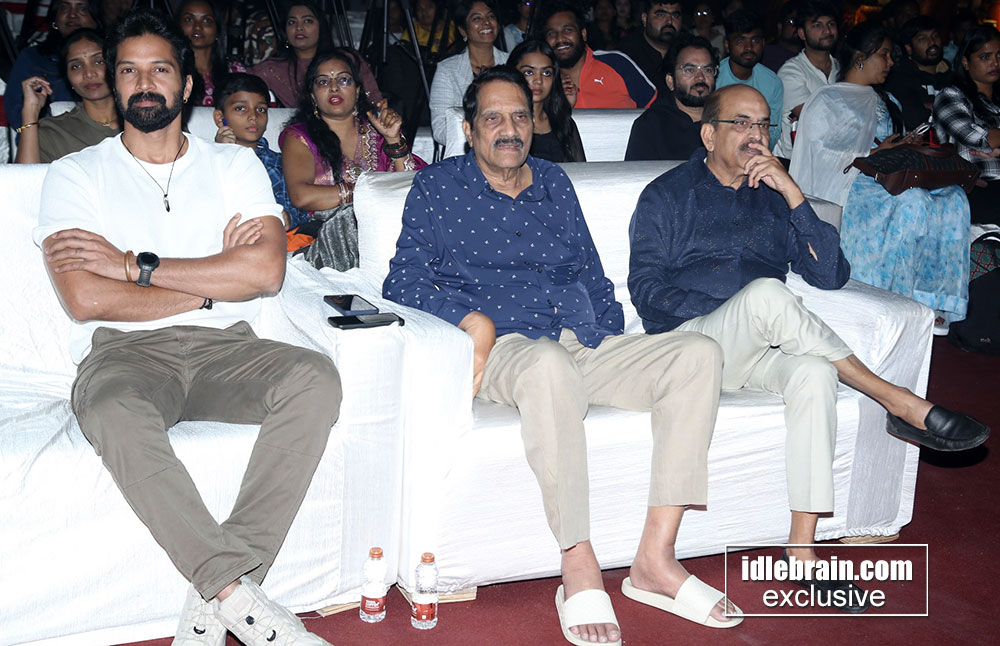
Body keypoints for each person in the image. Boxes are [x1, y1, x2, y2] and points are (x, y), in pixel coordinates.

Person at [384, 65, 742, 646]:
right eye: (493, 118)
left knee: (697, 354)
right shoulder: (436, 189)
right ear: (469, 130)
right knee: (548, 366)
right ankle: (577, 560)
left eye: (520, 116)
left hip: (579, 337)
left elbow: (592, 272)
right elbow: (402, 282)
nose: (509, 129)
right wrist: (472, 322)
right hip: (505, 345)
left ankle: (655, 560)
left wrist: (606, 326)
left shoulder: (553, 181)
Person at [31, 10, 342, 646]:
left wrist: (135, 267)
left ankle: (217, 597)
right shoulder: (74, 173)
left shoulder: (233, 166)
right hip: (125, 355)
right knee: (110, 408)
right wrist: (208, 285)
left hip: (228, 349)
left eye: (160, 70)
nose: (145, 83)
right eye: (129, 71)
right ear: (114, 83)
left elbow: (265, 272)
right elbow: (85, 299)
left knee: (314, 377)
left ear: (188, 84)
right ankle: (235, 597)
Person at [628, 83, 990, 612]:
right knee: (766, 295)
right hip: (689, 346)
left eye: (763, 124)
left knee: (815, 373)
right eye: (741, 124)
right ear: (708, 135)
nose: (756, 135)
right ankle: (896, 399)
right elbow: (646, 292)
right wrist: (741, 310)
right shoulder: (667, 195)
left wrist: (793, 194)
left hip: (756, 351)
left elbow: (830, 274)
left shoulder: (775, 196)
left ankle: (802, 550)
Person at [791, 22, 971, 328]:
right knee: (913, 201)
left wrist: (903, 146)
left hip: (888, 177)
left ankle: (934, 298)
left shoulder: (888, 101)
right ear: (861, 56)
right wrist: (874, 152)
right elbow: (819, 154)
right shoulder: (827, 99)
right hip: (849, 183)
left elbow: (892, 148)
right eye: (884, 55)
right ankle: (897, 298)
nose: (890, 62)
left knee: (954, 198)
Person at [281, 49, 426, 270]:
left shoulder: (378, 132)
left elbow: (411, 186)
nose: (334, 87)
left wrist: (393, 139)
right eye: (323, 82)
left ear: (357, 92)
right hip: (330, 235)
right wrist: (365, 192)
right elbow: (302, 196)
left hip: (388, 228)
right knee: (352, 218)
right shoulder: (300, 136)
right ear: (313, 95)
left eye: (343, 80)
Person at [213, 72, 309, 230]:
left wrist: (289, 218)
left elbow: (303, 209)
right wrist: (221, 153)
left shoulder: (280, 162)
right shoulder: (206, 159)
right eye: (241, 108)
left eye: (261, 109)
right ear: (219, 118)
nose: (253, 116)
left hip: (275, 235)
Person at [15, 28, 120, 164]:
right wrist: (30, 112)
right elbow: (25, 176)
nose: (89, 73)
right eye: (76, 66)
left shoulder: (139, 118)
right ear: (67, 77)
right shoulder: (54, 132)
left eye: (99, 61)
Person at [933, 25, 1000, 225]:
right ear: (965, 62)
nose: (995, 63)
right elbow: (974, 137)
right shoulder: (951, 96)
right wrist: (991, 140)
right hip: (977, 186)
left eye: (999, 55)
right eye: (985, 57)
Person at [4, 0, 101, 131]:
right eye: (64, 8)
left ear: (96, 17)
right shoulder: (32, 57)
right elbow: (15, 112)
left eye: (82, 9)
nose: (72, 14)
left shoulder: (112, 54)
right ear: (55, 17)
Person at [539, 2, 654, 110]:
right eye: (552, 33)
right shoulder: (541, 81)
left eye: (568, 30)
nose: (559, 38)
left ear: (583, 34)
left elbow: (654, 106)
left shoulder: (616, 64)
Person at [428, 0, 509, 144]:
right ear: (463, 30)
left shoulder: (512, 63)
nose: (486, 22)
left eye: (491, 16)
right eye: (477, 18)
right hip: (465, 149)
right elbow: (440, 129)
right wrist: (483, 135)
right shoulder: (447, 70)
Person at [625, 35, 716, 161]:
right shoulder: (652, 124)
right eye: (689, 70)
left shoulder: (727, 119)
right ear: (670, 81)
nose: (700, 77)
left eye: (708, 70)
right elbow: (640, 172)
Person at [774, 0, 840, 158]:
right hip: (795, 162)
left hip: (832, 157)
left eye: (831, 24)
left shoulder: (841, 69)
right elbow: (813, 118)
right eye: (817, 25)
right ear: (802, 33)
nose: (827, 30)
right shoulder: (791, 71)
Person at [508, 38, 585, 162]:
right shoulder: (504, 124)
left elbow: (580, 170)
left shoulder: (563, 122)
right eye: (529, 72)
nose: (538, 80)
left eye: (546, 73)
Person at [716, 8, 782, 150]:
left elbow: (773, 131)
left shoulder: (772, 82)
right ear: (727, 45)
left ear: (763, 43)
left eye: (755, 40)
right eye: (740, 41)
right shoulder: (714, 77)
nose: (749, 47)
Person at [885, 15, 949, 131]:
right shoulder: (900, 78)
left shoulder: (954, 77)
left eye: (935, 36)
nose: (932, 42)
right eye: (922, 39)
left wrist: (928, 106)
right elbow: (914, 119)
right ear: (908, 48)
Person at [177, 0, 246, 106]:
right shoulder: (172, 72)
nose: (197, 27)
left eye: (206, 21)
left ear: (217, 29)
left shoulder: (234, 71)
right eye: (189, 20)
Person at [615, 1, 683, 95]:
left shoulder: (688, 48)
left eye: (675, 16)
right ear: (644, 18)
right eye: (661, 15)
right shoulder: (625, 55)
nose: (669, 21)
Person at [762, 1, 800, 73]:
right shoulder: (764, 53)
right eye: (792, 21)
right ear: (780, 27)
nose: (797, 26)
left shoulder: (813, 57)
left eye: (802, 22)